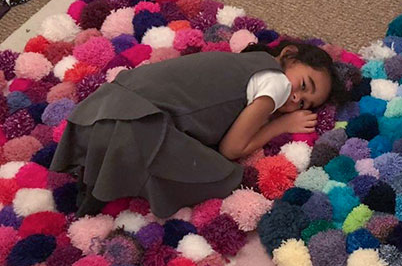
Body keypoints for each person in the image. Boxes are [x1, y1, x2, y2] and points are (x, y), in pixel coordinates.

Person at [50, 40, 339, 218]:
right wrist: (280, 125)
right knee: (228, 176)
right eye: (304, 85)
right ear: (289, 55)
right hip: (134, 127)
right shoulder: (276, 83)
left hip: (101, 108)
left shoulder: (245, 63)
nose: (297, 99)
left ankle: (102, 170)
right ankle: (117, 177)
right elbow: (232, 148)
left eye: (306, 103)